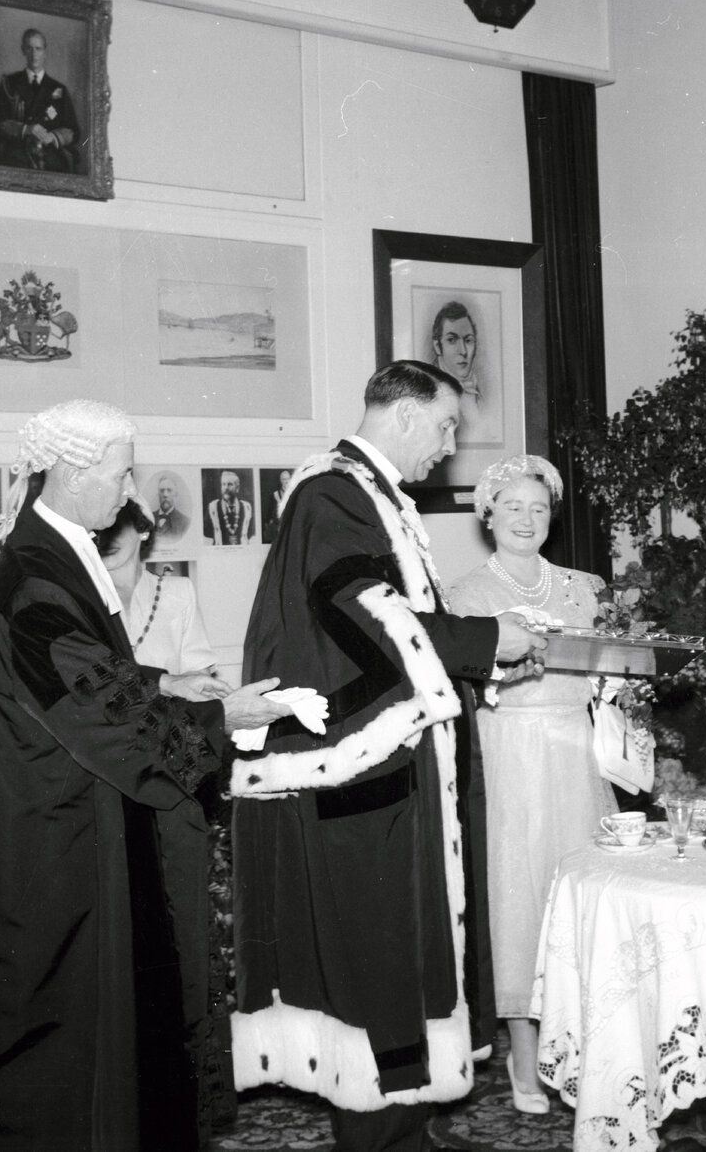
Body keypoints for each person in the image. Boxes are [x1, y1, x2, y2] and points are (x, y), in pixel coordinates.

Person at [0, 398, 291, 1152]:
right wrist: (219, 721)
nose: (130, 490)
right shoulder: (38, 576)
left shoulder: (53, 551)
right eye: (118, 472)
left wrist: (166, 687)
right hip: (61, 843)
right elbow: (90, 705)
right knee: (64, 1041)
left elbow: (83, 671)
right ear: (72, 473)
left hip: (75, 818)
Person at [230, 361, 547, 1152]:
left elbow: (390, 621)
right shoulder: (333, 492)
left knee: (404, 954)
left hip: (391, 766)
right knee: (376, 960)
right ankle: (383, 1139)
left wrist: (487, 656)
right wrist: (485, 640)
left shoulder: (363, 493)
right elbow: (364, 611)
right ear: (404, 416)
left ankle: (408, 1128)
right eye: (444, 427)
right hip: (362, 771)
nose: (448, 447)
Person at [447, 454, 617, 1113]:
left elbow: (614, 674)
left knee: (577, 891)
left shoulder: (587, 587)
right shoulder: (463, 595)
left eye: (538, 507)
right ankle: (524, 1047)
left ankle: (584, 1038)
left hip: (577, 752)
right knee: (517, 895)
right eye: (511, 506)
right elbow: (463, 687)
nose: (525, 518)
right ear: (487, 514)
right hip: (509, 753)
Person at [95, 499, 219, 676]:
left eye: (117, 525)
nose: (108, 537)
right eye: (99, 530)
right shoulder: (81, 597)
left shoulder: (179, 593)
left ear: (142, 530)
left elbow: (198, 676)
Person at [0, 27, 81, 172]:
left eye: (38, 49)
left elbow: (73, 130)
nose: (34, 54)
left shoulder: (58, 89)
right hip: (17, 153)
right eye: (29, 48)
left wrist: (53, 137)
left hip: (50, 154)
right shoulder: (9, 83)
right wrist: (26, 129)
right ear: (23, 50)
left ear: (45, 52)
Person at [429, 301, 483, 440]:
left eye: (468, 340)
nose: (463, 351)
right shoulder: (429, 394)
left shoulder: (479, 393)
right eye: (452, 340)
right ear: (437, 346)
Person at [205, 470, 254, 545]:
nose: (226, 488)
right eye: (223, 484)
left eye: (230, 484)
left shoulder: (247, 508)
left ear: (237, 488)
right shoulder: (213, 507)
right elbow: (207, 536)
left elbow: (251, 535)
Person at [152, 472, 191, 542]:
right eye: (162, 490)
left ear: (175, 494)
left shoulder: (185, 522)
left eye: (169, 490)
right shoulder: (149, 518)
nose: (165, 495)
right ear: (158, 494)